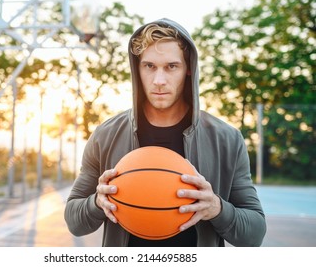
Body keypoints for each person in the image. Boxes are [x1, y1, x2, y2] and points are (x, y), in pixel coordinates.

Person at [64, 18, 266, 247]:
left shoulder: (226, 139)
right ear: (137, 69)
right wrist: (96, 203)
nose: (159, 81)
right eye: (149, 66)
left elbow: (255, 233)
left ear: (188, 68)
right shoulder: (106, 135)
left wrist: (217, 209)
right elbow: (74, 221)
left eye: (171, 66)